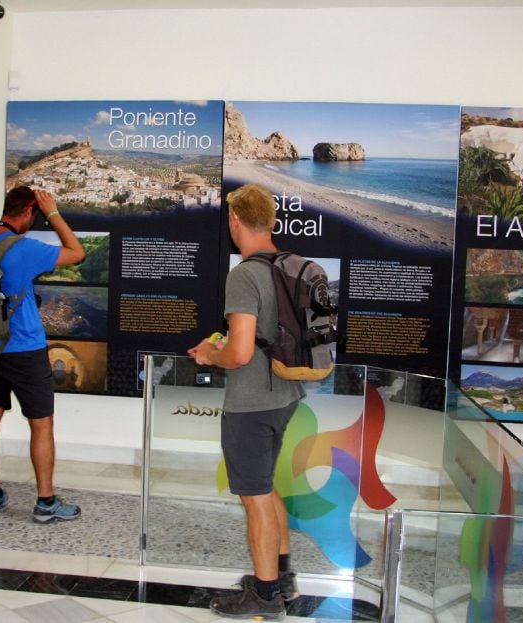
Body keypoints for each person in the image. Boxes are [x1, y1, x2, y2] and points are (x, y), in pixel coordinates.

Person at [189, 183, 305, 620]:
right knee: (265, 485)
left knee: (254, 495)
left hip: (251, 400)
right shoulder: (287, 266)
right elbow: (260, 336)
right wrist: (226, 345)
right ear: (271, 221)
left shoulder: (243, 275)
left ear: (235, 221)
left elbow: (237, 354)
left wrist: (207, 354)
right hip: (286, 393)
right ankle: (283, 575)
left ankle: (266, 595)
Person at [0, 185, 85, 522]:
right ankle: (45, 502)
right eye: (36, 215)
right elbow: (77, 252)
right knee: (41, 424)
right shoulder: (25, 248)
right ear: (29, 212)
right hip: (25, 348)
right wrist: (54, 213)